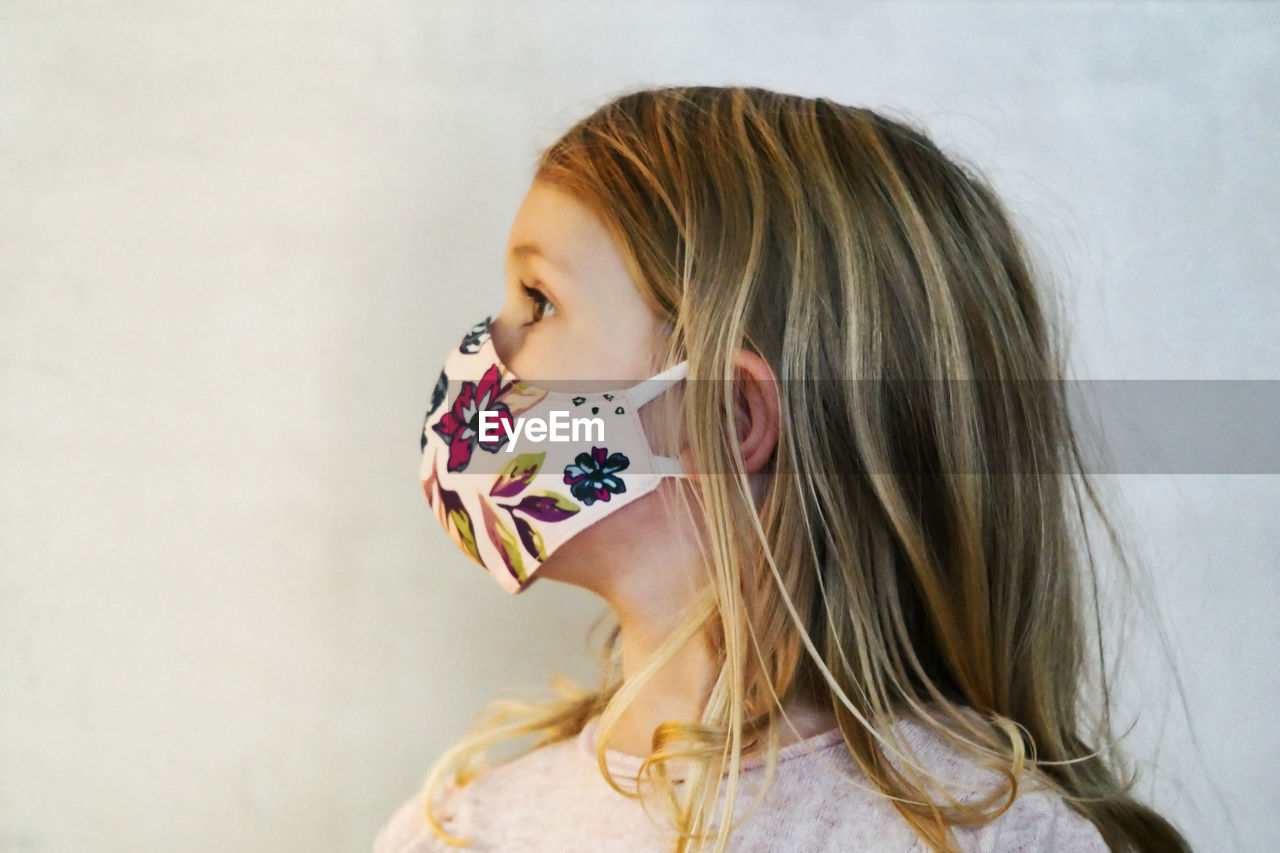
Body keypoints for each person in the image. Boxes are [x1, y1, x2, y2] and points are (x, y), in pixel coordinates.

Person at [378, 86, 1191, 852]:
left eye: (539, 301)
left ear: (728, 418)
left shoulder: (991, 835)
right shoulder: (461, 830)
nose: (486, 349)